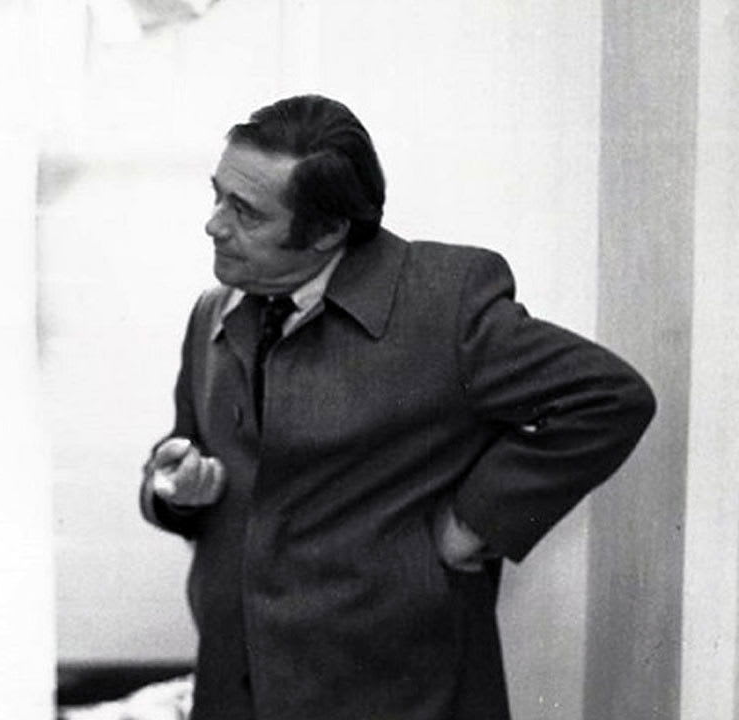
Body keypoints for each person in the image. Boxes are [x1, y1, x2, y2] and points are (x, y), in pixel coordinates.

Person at [139, 94, 656, 720]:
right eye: (218, 196)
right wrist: (174, 489)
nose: (214, 225)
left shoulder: (443, 302)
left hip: (394, 691)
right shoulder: (213, 311)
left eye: (245, 211)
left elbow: (608, 397)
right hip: (235, 689)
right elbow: (189, 453)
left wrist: (475, 525)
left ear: (328, 231)